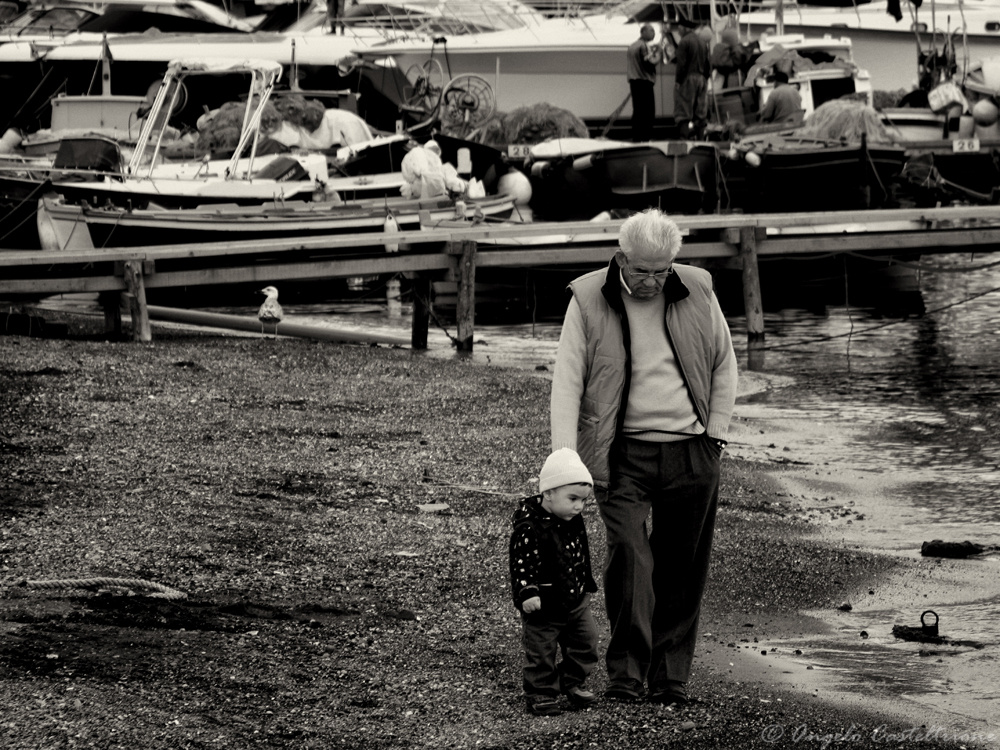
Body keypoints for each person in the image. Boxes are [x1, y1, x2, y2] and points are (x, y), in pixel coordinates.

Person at [550, 208, 738, 705]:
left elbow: (724, 362)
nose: (652, 281)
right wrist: (565, 461)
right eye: (641, 271)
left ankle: (670, 679)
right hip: (620, 454)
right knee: (631, 560)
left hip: (692, 452)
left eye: (661, 271)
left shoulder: (697, 288)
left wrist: (715, 435)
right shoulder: (589, 298)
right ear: (621, 258)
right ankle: (626, 676)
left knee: (682, 568)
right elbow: (567, 382)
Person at [509, 447, 600, 716]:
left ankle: (570, 682)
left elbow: (579, 553)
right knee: (541, 651)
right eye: (572, 498)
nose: (578, 506)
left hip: (575, 599)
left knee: (587, 642)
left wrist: (586, 582)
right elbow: (521, 563)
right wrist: (527, 592)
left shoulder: (572, 518)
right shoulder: (530, 526)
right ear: (548, 492)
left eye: (583, 501)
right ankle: (540, 692)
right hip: (544, 605)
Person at [626, 24, 664, 142]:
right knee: (648, 112)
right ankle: (645, 138)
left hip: (634, 80)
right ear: (643, 32)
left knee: (637, 110)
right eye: (651, 30)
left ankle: (637, 137)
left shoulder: (632, 46)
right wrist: (658, 53)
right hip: (644, 81)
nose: (654, 33)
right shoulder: (643, 46)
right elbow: (649, 63)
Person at [673, 24, 711, 138]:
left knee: (683, 111)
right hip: (701, 79)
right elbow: (707, 64)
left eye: (679, 29)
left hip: (688, 78)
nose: (678, 32)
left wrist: (679, 81)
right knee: (700, 112)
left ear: (685, 28)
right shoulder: (703, 43)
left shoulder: (684, 42)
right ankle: (700, 140)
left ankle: (683, 140)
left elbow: (681, 64)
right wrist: (705, 79)